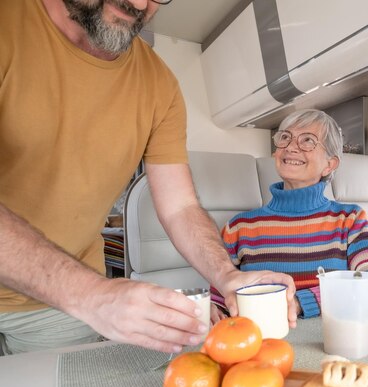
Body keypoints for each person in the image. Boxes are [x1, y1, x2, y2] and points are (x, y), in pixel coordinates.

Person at [0, 0, 297, 355]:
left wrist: (226, 274)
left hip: (54, 305)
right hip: (74, 290)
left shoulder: (160, 86)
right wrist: (90, 294)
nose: (140, 3)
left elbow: (180, 206)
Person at [219, 109, 368, 318]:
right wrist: (213, 309)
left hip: (333, 341)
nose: (291, 147)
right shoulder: (238, 227)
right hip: (260, 343)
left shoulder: (350, 220)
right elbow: (219, 297)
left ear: (330, 164)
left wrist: (301, 302)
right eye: (285, 138)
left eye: (307, 140)